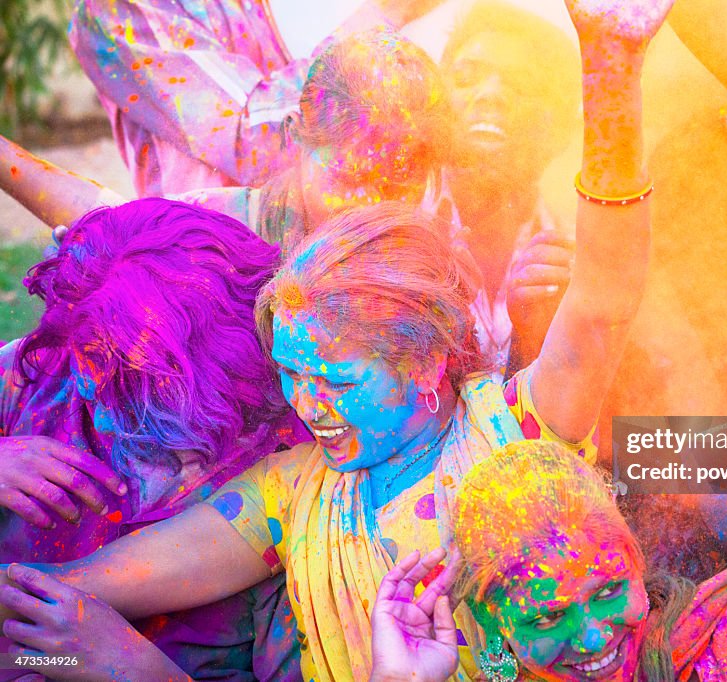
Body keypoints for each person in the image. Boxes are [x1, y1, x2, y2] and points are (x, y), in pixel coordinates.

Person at [0, 0, 668, 678]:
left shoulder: (511, 430)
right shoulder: (289, 492)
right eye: (292, 374)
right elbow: (74, 592)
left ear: (429, 362)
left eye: (339, 382)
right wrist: (46, 637)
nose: (307, 405)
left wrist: (613, 68)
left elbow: (605, 300)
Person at [0, 198, 308, 679]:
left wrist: (139, 670)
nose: (88, 389)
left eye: (130, 379)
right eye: (83, 357)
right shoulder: (36, 377)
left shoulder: (300, 480)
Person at [368, 440, 727, 681]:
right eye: (547, 617)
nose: (592, 638)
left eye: (607, 590)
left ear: (634, 558)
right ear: (496, 626)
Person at [2, 28, 450, 252]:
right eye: (351, 175)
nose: (372, 204)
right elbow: (118, 222)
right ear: (295, 135)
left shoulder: (420, 247)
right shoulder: (213, 231)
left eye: (396, 183)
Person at [68, 0, 445, 196]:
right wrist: (387, 11)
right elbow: (250, 137)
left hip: (315, 266)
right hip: (209, 280)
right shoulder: (116, 10)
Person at [437, 0, 580, 367]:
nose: (491, 95)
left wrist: (541, 341)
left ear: (560, 128)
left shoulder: (580, 264)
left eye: (521, 85)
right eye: (467, 77)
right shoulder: (387, 233)